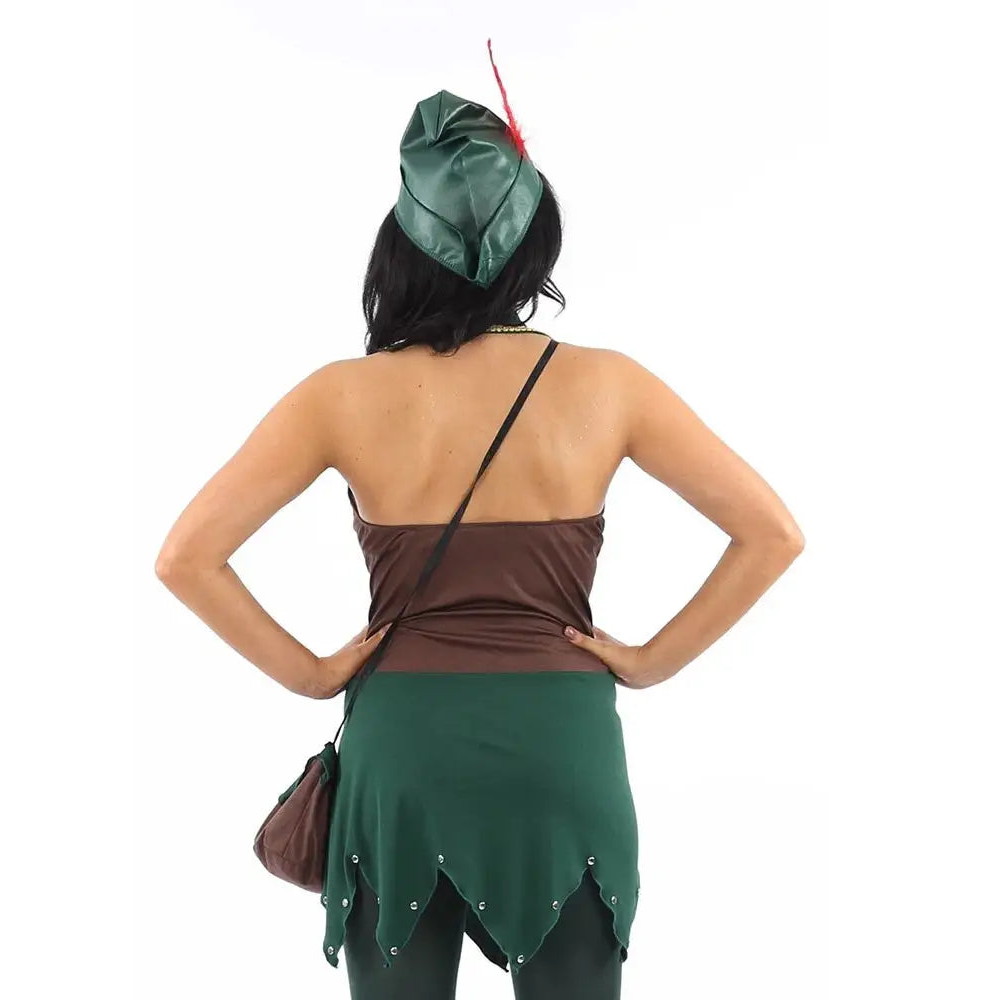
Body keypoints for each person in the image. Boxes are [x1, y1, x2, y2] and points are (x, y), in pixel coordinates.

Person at [155, 47, 804, 1000]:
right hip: (561, 744)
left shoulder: (338, 398)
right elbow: (772, 534)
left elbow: (187, 556)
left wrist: (313, 674)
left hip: (403, 748)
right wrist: (650, 660)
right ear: (536, 242)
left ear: (400, 247)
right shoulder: (610, 387)